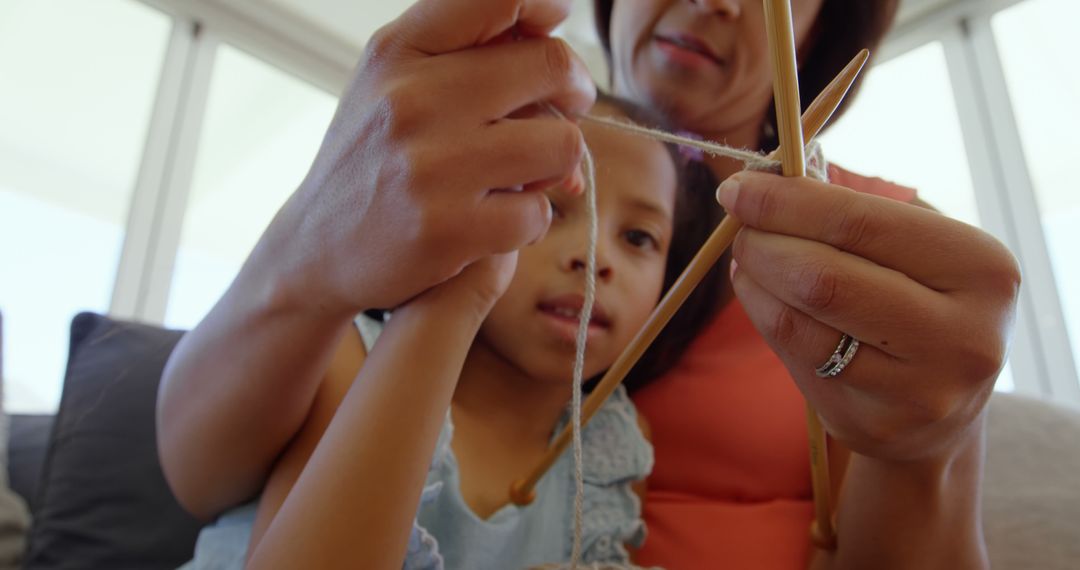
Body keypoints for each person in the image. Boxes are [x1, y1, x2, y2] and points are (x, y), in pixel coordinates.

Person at [159, 0, 1018, 568]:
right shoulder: (437, 242)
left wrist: (932, 443)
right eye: (559, 208)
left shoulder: (887, 258)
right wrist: (328, 246)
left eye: (641, 236)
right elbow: (201, 471)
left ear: (824, 29)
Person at [173, 93, 722, 569]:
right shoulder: (355, 362)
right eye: (552, 209)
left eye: (639, 238)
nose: (596, 258)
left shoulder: (617, 449)